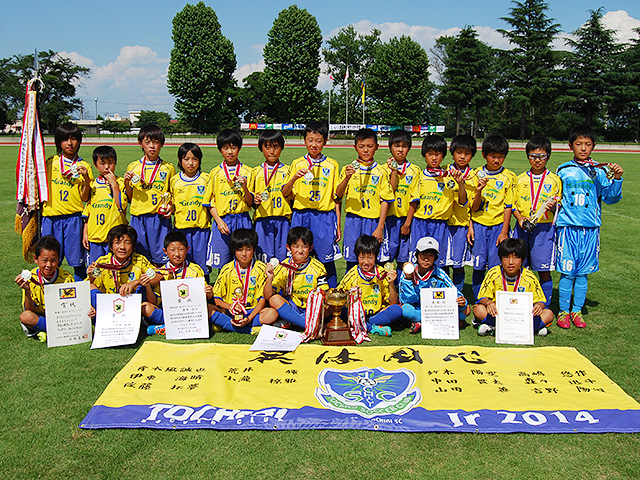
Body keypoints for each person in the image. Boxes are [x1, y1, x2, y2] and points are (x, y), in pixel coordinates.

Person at [554, 125, 623, 328]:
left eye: (587, 144)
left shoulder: (600, 171)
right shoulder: (563, 170)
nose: (583, 148)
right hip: (567, 228)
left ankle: (577, 311)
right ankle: (563, 312)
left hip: (590, 229)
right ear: (570, 146)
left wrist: (617, 178)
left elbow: (611, 198)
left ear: (593, 146)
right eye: (578, 144)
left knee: (583, 272)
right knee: (567, 271)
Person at [282, 121, 341, 287]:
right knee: (297, 258)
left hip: (324, 217)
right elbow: (285, 192)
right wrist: (294, 178)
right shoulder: (297, 164)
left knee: (326, 260)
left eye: (318, 141)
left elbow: (337, 197)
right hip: (301, 216)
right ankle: (295, 293)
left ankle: (331, 298)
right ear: (304, 140)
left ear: (325, 141)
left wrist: (338, 224)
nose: (314, 144)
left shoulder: (332, 164)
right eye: (310, 140)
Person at [511, 137, 562, 307]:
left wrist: (553, 207)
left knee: (543, 269)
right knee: (518, 267)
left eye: (542, 156)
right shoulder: (519, 180)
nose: (537, 160)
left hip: (544, 229)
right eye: (533, 156)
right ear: (527, 156)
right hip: (522, 227)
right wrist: (519, 218)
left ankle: (543, 307)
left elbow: (558, 208)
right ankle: (518, 305)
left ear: (548, 156)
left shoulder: (554, 180)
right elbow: (512, 205)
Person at [336, 128, 394, 271]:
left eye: (370, 146)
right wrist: (347, 178)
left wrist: (380, 227)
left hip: (373, 221)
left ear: (377, 147)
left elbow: (385, 200)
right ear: (355, 147)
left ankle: (375, 290)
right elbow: (337, 194)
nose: (366, 150)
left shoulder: (381, 171)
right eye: (361, 147)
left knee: (375, 259)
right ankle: (352, 290)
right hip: (353, 220)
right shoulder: (348, 169)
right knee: (353, 259)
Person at [41, 123, 93, 280]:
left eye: (73, 139)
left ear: (79, 141)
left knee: (77, 262)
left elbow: (85, 198)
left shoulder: (84, 166)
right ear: (58, 142)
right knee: (50, 261)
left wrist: (85, 179)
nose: (69, 143)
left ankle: (80, 297)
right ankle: (48, 295)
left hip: (73, 219)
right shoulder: (50, 162)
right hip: (50, 218)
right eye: (65, 139)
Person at [468, 134, 517, 300]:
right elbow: (472, 208)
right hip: (479, 226)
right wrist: (479, 191)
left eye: (500, 157)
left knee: (497, 267)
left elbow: (508, 206)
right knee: (478, 266)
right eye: (493, 156)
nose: (496, 160)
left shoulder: (509, 177)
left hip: (498, 227)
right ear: (484, 155)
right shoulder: (475, 174)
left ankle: (497, 301)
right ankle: (479, 302)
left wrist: (504, 232)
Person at [473, 238, 554, 336]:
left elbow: (540, 301)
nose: (511, 262)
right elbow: (482, 297)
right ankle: (533, 328)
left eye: (516, 258)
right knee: (478, 310)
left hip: (521, 316)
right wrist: (489, 302)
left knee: (548, 314)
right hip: (498, 313)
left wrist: (539, 306)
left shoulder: (529, 277)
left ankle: (493, 326)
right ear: (501, 259)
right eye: (506, 257)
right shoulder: (493, 273)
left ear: (523, 260)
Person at [408, 135, 468, 267]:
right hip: (420, 223)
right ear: (424, 155)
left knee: (439, 262)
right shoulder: (420, 176)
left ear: (443, 156)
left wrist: (461, 183)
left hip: (440, 225)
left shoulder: (450, 177)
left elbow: (462, 201)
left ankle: (439, 287)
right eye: (430, 154)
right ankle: (415, 287)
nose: (434, 158)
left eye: (438, 154)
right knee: (417, 259)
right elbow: (413, 202)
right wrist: (407, 224)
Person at [87, 225, 160, 325]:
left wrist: (135, 282)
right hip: (110, 307)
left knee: (146, 305)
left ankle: (169, 323)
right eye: (117, 243)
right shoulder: (102, 262)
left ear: (133, 246)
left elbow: (159, 275)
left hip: (133, 306)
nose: (122, 247)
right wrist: (91, 278)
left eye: (127, 243)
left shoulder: (139, 260)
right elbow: (86, 287)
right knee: (89, 286)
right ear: (111, 247)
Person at [145, 230, 215, 335]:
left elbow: (207, 298)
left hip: (190, 312)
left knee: (211, 309)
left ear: (187, 250)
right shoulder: (161, 272)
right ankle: (176, 325)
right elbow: (154, 301)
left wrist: (208, 292)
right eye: (172, 250)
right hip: (170, 313)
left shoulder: (195, 269)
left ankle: (166, 327)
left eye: (181, 249)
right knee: (146, 307)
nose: (177, 254)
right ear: (165, 251)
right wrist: (147, 287)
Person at [124, 124, 175, 265]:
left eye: (156, 142)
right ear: (140, 144)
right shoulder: (133, 167)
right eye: (147, 142)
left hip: (159, 219)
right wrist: (127, 183)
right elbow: (129, 196)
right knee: (140, 259)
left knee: (162, 258)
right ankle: (144, 287)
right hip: (138, 218)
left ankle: (160, 287)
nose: (152, 146)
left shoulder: (168, 168)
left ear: (162, 144)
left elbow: (172, 194)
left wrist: (170, 207)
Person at [210, 228, 277, 333]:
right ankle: (251, 330)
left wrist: (249, 318)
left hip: (252, 311)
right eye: (240, 250)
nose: (244, 254)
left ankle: (227, 324)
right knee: (209, 309)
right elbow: (217, 298)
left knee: (272, 314)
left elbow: (262, 300)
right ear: (234, 250)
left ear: (254, 250)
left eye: (248, 249)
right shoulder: (227, 269)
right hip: (231, 311)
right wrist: (230, 306)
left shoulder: (260, 269)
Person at [204, 129, 254, 270]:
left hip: (243, 220)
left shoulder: (248, 172)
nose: (230, 152)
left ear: (239, 148)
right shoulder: (215, 173)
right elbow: (209, 202)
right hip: (223, 221)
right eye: (226, 148)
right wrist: (219, 221)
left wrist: (245, 187)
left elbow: (250, 202)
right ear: (220, 150)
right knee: (223, 263)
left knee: (245, 261)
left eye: (233, 147)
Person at [400, 237, 468, 334]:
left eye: (431, 255)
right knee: (406, 310)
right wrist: (408, 278)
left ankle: (421, 323)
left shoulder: (440, 274)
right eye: (423, 254)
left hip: (435, 310)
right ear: (417, 255)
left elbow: (454, 292)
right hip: (416, 308)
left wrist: (462, 301)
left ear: (435, 258)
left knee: (466, 310)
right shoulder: (408, 271)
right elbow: (406, 300)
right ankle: (439, 322)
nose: (426, 259)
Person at [263, 226, 328, 329]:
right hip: (292, 307)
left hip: (312, 308)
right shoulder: (282, 267)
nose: (300, 250)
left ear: (311, 248)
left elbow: (324, 294)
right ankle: (308, 325)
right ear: (288, 248)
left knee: (326, 304)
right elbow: (267, 296)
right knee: (274, 299)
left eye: (304, 246)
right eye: (296, 246)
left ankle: (293, 321)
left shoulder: (317, 267)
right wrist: (269, 278)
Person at [338, 235, 403, 337]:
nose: (366, 262)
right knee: (342, 310)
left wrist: (391, 283)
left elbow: (393, 302)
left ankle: (367, 324)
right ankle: (371, 327)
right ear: (357, 257)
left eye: (370, 257)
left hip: (376, 315)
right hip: (357, 313)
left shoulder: (382, 273)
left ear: (376, 257)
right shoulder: (352, 275)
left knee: (397, 310)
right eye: (362, 257)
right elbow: (339, 296)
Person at [14, 236, 74, 340]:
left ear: (59, 258)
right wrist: (27, 290)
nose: (49, 265)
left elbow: (73, 306)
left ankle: (44, 330)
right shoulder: (30, 278)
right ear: (35, 259)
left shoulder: (66, 278)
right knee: (26, 316)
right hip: (40, 316)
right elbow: (29, 310)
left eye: (53, 260)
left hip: (61, 317)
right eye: (44, 260)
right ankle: (55, 330)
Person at [170, 143, 211, 277]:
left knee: (202, 267)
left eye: (194, 159)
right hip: (181, 230)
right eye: (186, 159)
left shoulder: (206, 179)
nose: (191, 163)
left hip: (201, 231)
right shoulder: (174, 180)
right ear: (179, 160)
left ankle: (205, 295)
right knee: (182, 265)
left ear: (199, 160)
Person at [82, 146, 128, 266]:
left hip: (115, 239)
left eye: (110, 163)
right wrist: (85, 233)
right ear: (95, 165)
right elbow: (88, 210)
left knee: (116, 270)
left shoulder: (121, 183)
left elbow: (121, 206)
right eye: (102, 163)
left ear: (116, 163)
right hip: (95, 237)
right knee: (96, 270)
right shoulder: (93, 185)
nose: (107, 167)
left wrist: (114, 184)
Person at [250, 130, 291, 262]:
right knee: (263, 260)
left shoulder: (289, 171)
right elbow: (250, 200)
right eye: (267, 147)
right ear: (260, 148)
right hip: (262, 221)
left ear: (282, 148)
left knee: (283, 259)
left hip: (283, 220)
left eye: (276, 147)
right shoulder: (255, 172)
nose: (272, 151)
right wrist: (254, 200)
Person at [384, 129, 421, 268]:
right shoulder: (383, 169)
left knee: (404, 260)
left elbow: (414, 199)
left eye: (404, 146)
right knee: (385, 259)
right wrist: (393, 172)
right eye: (396, 146)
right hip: (389, 220)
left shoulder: (415, 170)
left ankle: (402, 288)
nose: (400, 150)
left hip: (406, 219)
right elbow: (389, 193)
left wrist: (407, 223)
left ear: (409, 148)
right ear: (390, 147)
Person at [445, 134, 477, 293]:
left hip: (461, 226)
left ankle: (457, 298)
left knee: (458, 265)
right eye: (459, 152)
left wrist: (470, 226)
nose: (462, 156)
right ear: (452, 152)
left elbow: (467, 204)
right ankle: (442, 298)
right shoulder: (444, 172)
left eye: (467, 153)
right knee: (442, 264)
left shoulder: (475, 176)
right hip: (443, 225)